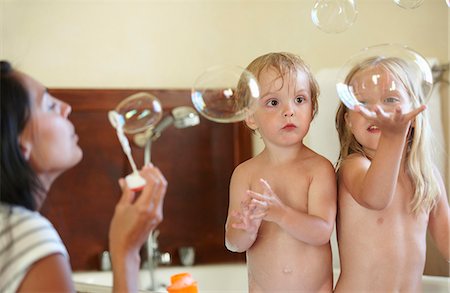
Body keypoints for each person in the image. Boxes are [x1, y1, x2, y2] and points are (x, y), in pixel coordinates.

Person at [0, 60, 168, 293]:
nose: (66, 107)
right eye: (48, 105)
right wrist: (126, 252)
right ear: (20, 145)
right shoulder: (24, 238)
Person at [334, 56, 449, 292]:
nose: (377, 111)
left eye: (390, 99)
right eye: (362, 103)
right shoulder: (354, 166)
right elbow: (376, 198)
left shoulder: (426, 175)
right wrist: (393, 137)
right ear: (348, 121)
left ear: (415, 115)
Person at [225, 52, 337, 292]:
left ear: (312, 109)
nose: (289, 111)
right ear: (250, 116)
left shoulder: (318, 169)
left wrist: (280, 213)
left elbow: (322, 232)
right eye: (274, 102)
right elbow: (234, 243)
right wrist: (246, 229)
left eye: (299, 99)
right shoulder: (245, 174)